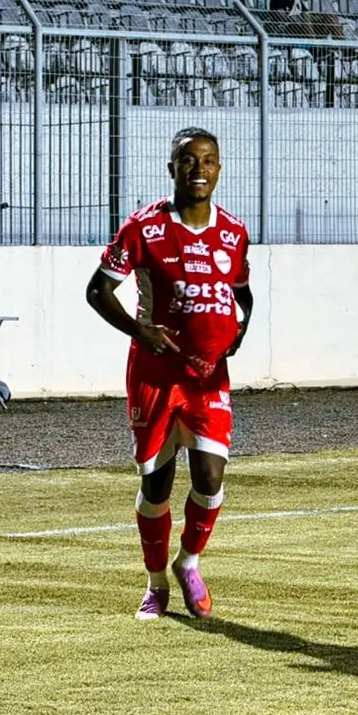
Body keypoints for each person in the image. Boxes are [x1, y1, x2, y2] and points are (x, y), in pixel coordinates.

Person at [85, 127, 254, 621]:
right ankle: (156, 583)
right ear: (172, 168)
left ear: (219, 170)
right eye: (187, 161)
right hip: (155, 375)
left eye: (208, 161)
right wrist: (141, 331)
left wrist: (238, 333)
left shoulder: (234, 232)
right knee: (156, 486)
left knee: (210, 476)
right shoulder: (144, 228)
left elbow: (243, 293)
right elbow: (99, 291)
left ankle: (189, 562)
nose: (198, 169)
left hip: (207, 377)